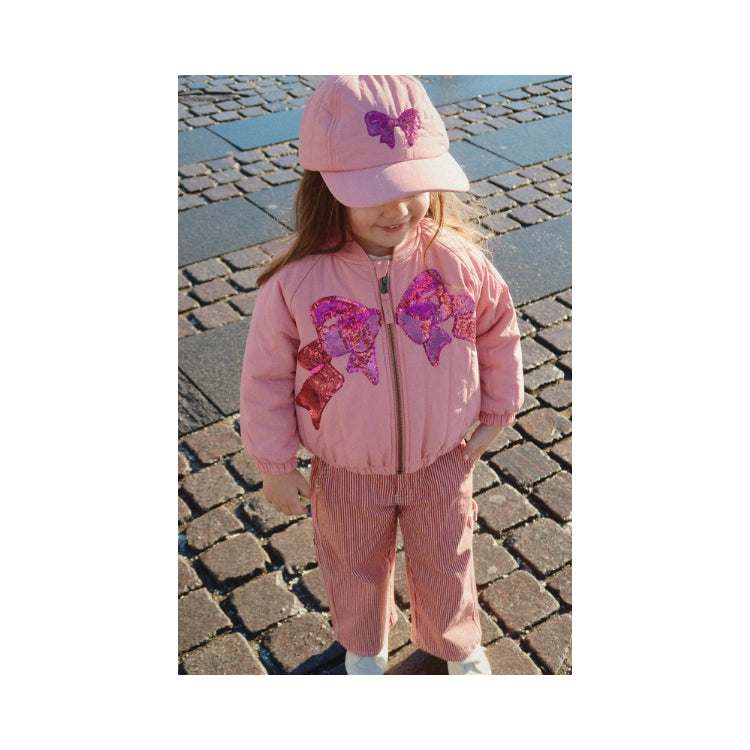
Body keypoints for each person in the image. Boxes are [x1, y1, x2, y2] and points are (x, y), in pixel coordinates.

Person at [240, 75, 524, 675]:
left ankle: (457, 645)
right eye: (375, 191)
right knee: (353, 569)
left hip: (440, 462)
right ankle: (363, 647)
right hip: (345, 472)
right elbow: (264, 377)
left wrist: (497, 411)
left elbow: (498, 330)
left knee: (448, 561)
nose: (398, 209)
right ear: (326, 189)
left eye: (412, 186)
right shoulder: (295, 284)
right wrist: (275, 464)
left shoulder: (458, 261)